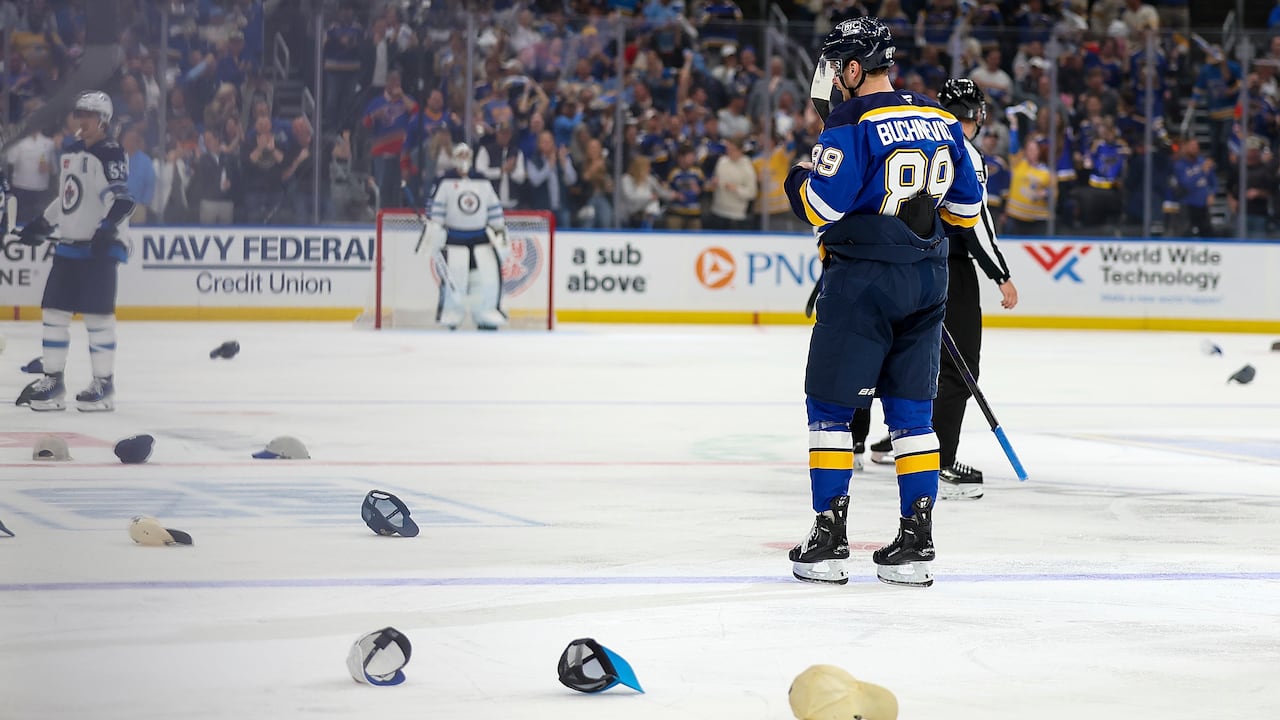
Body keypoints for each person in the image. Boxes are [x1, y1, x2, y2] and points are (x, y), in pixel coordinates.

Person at [783, 18, 984, 588]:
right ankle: (916, 541)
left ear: (851, 68)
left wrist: (797, 177)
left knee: (829, 408)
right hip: (929, 279)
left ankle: (828, 540)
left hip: (864, 281)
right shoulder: (941, 117)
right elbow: (965, 213)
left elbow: (823, 205)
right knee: (913, 414)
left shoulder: (850, 121)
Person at [16, 91, 135, 412]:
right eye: (79, 113)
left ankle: (104, 383)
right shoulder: (71, 153)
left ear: (104, 121)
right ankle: (53, 380)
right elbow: (69, 198)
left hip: (100, 249)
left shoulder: (109, 153)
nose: (81, 119)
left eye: (89, 115)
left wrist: (107, 228)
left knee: (98, 317)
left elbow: (121, 200)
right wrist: (43, 222)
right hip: (70, 246)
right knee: (53, 312)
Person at [424, 143, 509, 330]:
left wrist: (499, 231)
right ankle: (452, 313)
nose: (463, 158)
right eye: (459, 154)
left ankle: (486, 313)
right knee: (455, 279)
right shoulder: (444, 181)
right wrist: (434, 231)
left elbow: (493, 209)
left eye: (466, 154)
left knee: (486, 278)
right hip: (454, 239)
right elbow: (436, 212)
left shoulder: (481, 181)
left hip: (481, 240)